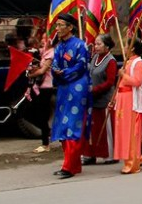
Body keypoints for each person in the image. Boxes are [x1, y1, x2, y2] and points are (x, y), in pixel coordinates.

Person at [50, 14, 91, 179]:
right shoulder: (59, 47)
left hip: (77, 89)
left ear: (70, 27)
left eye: (61, 25)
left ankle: (69, 166)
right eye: (57, 25)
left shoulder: (81, 45)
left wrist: (65, 72)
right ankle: (72, 165)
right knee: (62, 125)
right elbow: (55, 64)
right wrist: (56, 71)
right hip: (63, 89)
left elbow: (81, 66)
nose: (57, 28)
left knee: (72, 127)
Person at [112, 39, 142, 174]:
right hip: (122, 99)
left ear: (132, 48)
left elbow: (137, 82)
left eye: (126, 45)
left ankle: (133, 164)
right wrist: (115, 99)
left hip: (131, 101)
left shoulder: (139, 63)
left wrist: (123, 75)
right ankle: (136, 158)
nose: (124, 47)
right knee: (123, 131)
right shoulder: (127, 62)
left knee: (132, 132)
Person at [82, 34, 117, 166]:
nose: (95, 47)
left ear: (107, 46)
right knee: (92, 129)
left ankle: (109, 155)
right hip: (92, 99)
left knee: (105, 129)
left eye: (99, 44)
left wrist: (94, 90)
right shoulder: (95, 57)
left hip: (104, 100)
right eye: (95, 44)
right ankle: (90, 154)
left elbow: (109, 82)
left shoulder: (111, 61)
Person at [27, 36, 55, 154]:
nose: (43, 41)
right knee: (30, 112)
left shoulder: (52, 52)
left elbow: (43, 70)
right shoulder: (44, 51)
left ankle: (45, 143)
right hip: (39, 87)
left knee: (43, 114)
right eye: (42, 39)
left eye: (45, 39)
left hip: (47, 87)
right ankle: (47, 135)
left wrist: (31, 75)